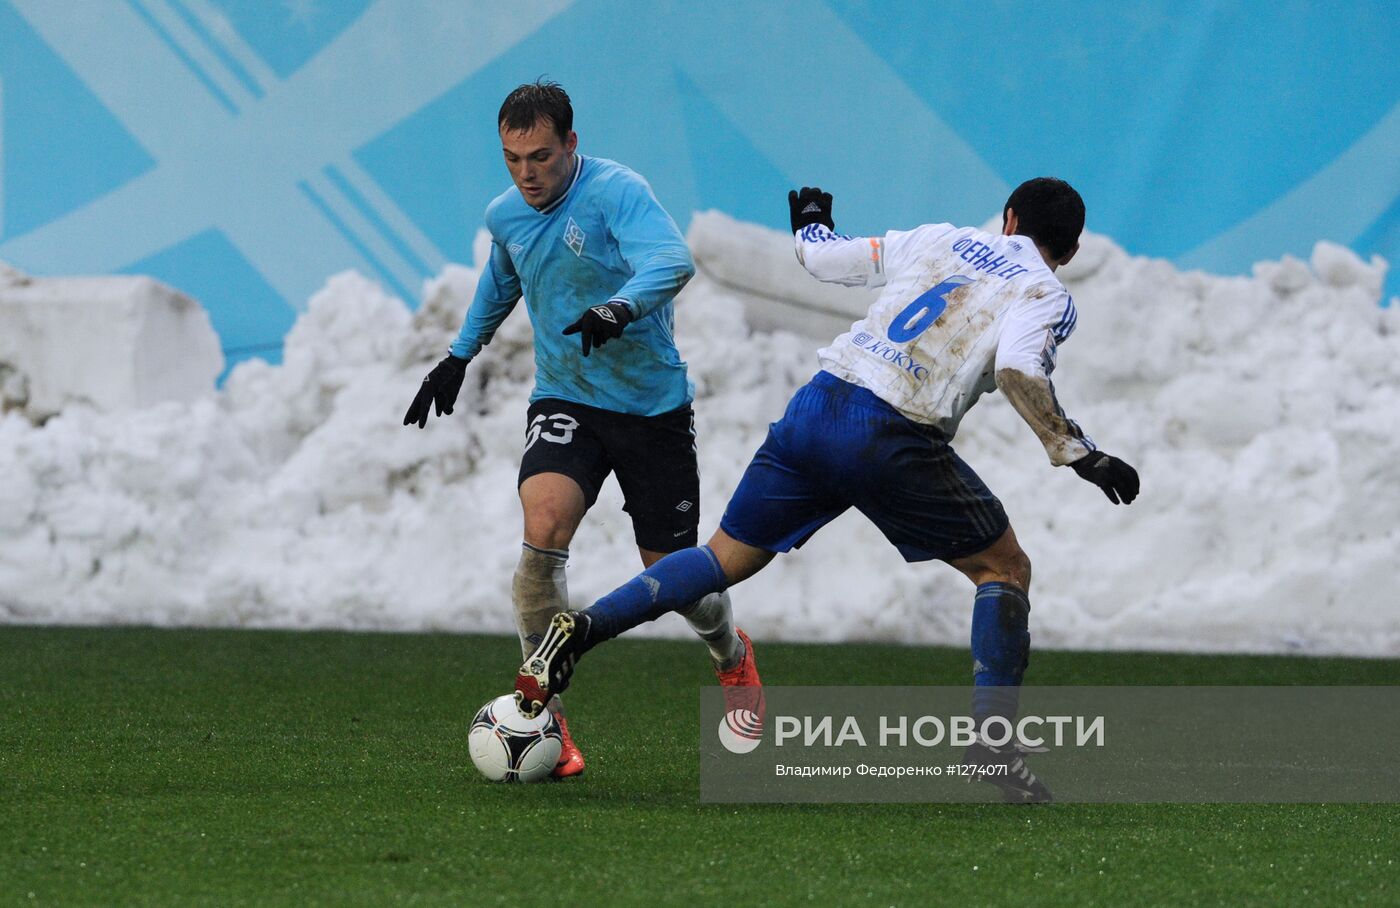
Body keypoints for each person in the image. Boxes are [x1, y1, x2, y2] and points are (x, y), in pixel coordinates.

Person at [514, 177, 1139, 802]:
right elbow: (1017, 369)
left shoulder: (941, 238)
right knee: (1004, 568)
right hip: (894, 432)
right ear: (1072, 250)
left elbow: (821, 256)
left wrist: (811, 220)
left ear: (1008, 219)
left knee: (720, 561)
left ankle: (583, 627)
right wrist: (1078, 452)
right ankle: (993, 745)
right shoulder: (1045, 291)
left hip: (820, 403)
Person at [404, 80, 760, 779]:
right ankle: (545, 716)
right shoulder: (506, 214)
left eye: (539, 156)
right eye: (512, 159)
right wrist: (458, 354)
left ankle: (730, 651)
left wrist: (618, 310)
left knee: (676, 576)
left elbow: (672, 260)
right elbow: (502, 280)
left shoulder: (616, 191)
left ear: (571, 142)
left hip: (652, 407)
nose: (527, 173)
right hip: (566, 397)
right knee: (542, 525)